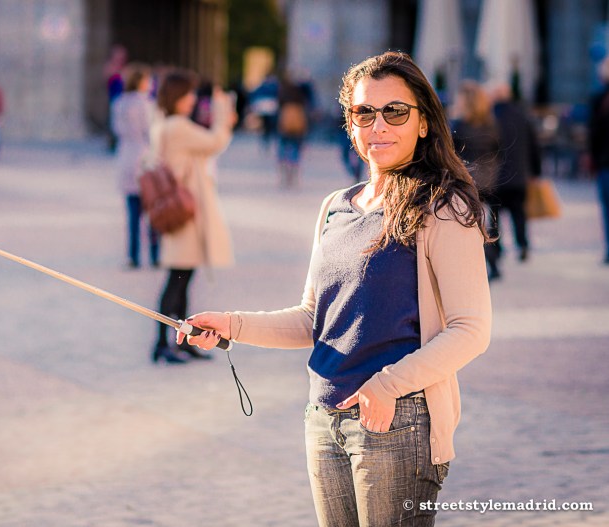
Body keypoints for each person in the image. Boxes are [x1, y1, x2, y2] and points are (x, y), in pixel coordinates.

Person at [176, 52, 492, 526]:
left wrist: (386, 387)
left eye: (395, 111)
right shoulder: (335, 206)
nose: (378, 125)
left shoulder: (441, 208)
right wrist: (230, 325)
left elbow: (472, 329)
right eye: (364, 112)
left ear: (423, 123)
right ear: (350, 122)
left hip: (396, 423)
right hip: (322, 420)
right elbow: (313, 319)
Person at [152, 70, 235, 364]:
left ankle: (181, 339)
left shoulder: (166, 125)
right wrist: (223, 110)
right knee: (177, 279)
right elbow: (215, 142)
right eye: (187, 94)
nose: (191, 100)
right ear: (177, 96)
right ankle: (163, 343)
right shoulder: (177, 126)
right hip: (184, 212)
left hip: (179, 210)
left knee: (182, 277)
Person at [451, 80, 502, 279]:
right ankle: (493, 262)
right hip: (491, 180)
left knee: (470, 227)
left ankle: (478, 264)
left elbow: (451, 155)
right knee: (488, 225)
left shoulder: (459, 126)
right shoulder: (492, 125)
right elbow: (499, 152)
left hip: (467, 182)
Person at [111, 62, 159, 269]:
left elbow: (116, 129)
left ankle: (133, 255)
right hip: (146, 158)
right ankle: (156, 255)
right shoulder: (148, 105)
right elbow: (152, 132)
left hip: (126, 157)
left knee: (132, 215)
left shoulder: (119, 103)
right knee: (153, 213)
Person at [489, 81, 542, 263]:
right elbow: (534, 145)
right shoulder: (522, 115)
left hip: (496, 177)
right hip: (519, 176)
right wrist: (535, 171)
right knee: (519, 214)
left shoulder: (490, 117)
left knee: (494, 216)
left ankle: (497, 248)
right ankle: (523, 245)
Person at [588, 57, 609, 264]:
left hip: (605, 162)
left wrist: (592, 158)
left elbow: (593, 133)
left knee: (607, 208)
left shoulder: (599, 99)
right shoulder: (598, 99)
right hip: (604, 162)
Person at [276, 75, 310, 187]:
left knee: (284, 144)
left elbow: (278, 103)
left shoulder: (283, 92)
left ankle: (284, 165)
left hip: (286, 118)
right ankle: (293, 165)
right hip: (298, 119)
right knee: (296, 145)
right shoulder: (301, 92)